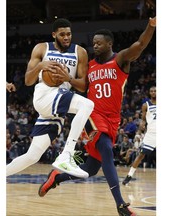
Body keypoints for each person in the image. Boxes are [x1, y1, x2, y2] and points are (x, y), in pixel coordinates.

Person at [39, 17, 156, 216]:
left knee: (91, 169)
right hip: (93, 116)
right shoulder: (91, 65)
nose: (95, 46)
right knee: (107, 152)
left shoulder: (120, 60)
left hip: (112, 120)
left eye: (99, 43)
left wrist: (151, 26)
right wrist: (68, 78)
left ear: (109, 44)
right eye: (93, 43)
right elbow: (82, 86)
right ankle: (120, 204)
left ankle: (57, 177)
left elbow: (140, 44)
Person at [6, 18, 94, 178]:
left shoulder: (80, 52)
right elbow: (28, 81)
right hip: (45, 94)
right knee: (87, 105)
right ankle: (67, 155)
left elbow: (83, 86)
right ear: (54, 34)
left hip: (58, 103)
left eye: (69, 34)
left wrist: (69, 78)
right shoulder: (41, 48)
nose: (66, 37)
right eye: (62, 34)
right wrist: (40, 66)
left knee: (32, 156)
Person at [122, 86, 156, 185]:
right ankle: (129, 176)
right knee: (141, 155)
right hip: (151, 134)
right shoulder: (146, 105)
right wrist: (139, 131)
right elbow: (143, 120)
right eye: (152, 91)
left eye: (155, 91)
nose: (153, 92)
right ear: (149, 92)